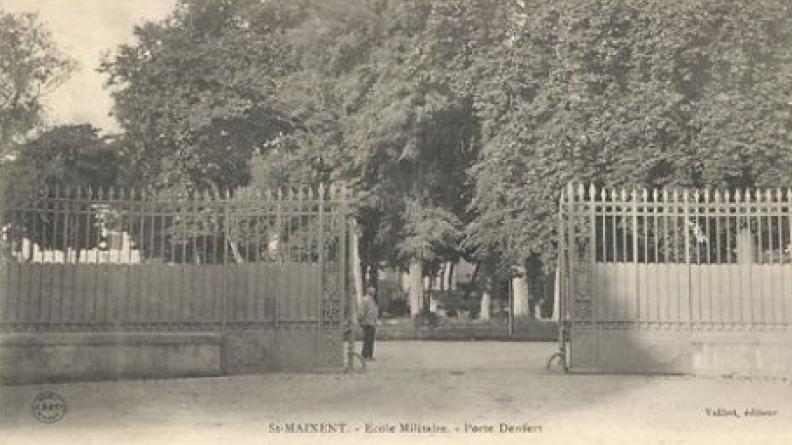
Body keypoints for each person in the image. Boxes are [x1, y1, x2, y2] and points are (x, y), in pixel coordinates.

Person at [359, 286, 379, 361]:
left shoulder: (372, 300)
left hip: (371, 322)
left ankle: (369, 355)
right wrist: (361, 320)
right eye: (372, 291)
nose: (373, 292)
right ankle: (365, 355)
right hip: (367, 322)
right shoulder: (365, 300)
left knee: (370, 340)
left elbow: (374, 311)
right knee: (367, 339)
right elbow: (362, 312)